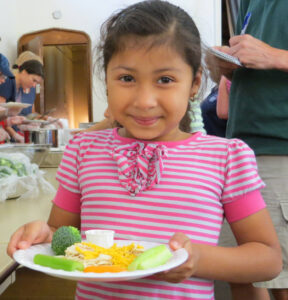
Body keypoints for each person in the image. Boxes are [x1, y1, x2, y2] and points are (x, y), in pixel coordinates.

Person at [7, 1, 282, 299]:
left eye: (165, 80)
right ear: (107, 80)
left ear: (194, 83)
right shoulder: (83, 150)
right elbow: (61, 238)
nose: (144, 100)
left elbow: (267, 259)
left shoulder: (225, 157)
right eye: (127, 78)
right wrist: (41, 236)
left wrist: (200, 259)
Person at [206, 1, 288, 299]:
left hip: (279, 149)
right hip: (240, 151)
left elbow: (270, 57)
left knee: (280, 281)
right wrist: (226, 67)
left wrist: (274, 56)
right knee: (241, 275)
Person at [0, 52, 44, 142]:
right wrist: (13, 132)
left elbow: (31, 113)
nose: (3, 80)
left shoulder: (29, 89)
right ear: (24, 71)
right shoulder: (8, 84)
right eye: (34, 80)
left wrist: (44, 119)